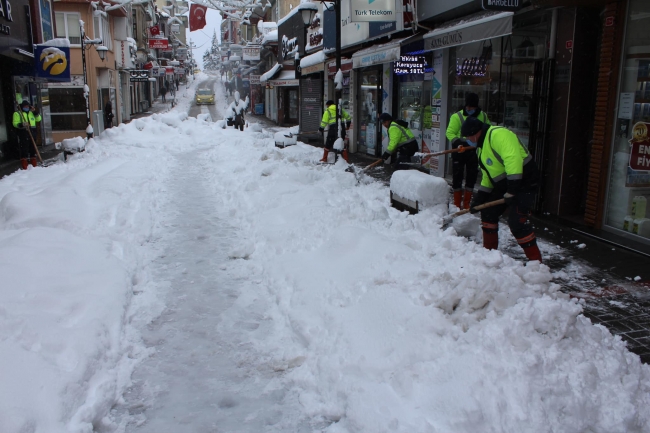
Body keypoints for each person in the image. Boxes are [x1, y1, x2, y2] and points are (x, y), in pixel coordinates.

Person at [462, 116, 542, 262]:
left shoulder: (498, 135)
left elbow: (513, 160)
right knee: (488, 213)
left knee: (516, 222)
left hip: (524, 182)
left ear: (476, 132)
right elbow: (488, 177)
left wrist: (512, 190)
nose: (468, 140)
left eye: (468, 136)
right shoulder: (481, 147)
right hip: (507, 184)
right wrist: (478, 200)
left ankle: (536, 263)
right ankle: (490, 256)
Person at [445, 93, 491, 210]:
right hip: (459, 151)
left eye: (472, 107)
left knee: (471, 177)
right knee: (457, 177)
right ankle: (456, 203)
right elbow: (450, 132)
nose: (469, 109)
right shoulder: (457, 117)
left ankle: (466, 203)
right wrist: (458, 142)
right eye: (468, 106)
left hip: (475, 152)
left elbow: (487, 131)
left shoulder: (483, 117)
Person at [12, 100, 42, 169]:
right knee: (24, 149)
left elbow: (39, 119)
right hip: (23, 133)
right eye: (25, 106)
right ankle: (24, 166)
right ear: (22, 107)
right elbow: (14, 123)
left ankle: (34, 164)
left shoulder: (31, 113)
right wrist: (22, 124)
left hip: (32, 132)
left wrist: (35, 111)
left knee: (33, 149)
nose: (27, 107)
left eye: (28, 106)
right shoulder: (18, 113)